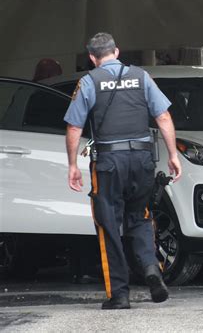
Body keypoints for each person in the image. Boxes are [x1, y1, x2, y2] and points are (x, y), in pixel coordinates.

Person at [64, 32, 182, 310]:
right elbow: (163, 116)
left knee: (108, 224)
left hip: (108, 163)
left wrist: (72, 165)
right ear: (116, 52)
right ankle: (151, 268)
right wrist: (174, 155)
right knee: (140, 217)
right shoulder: (141, 77)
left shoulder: (89, 81)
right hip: (142, 159)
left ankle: (119, 293)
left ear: (92, 58)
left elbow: (74, 127)